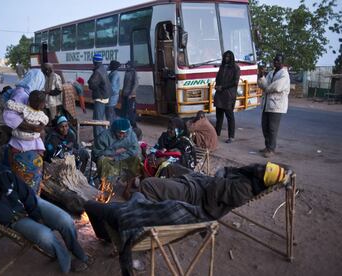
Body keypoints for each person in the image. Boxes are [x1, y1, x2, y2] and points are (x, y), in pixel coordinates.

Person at [0, 165, 90, 273]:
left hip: (30, 204)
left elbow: (26, 194)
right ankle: (67, 259)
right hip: (14, 219)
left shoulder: (2, 173)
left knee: (64, 219)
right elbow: (5, 216)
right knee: (45, 236)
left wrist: (36, 215)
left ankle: (77, 251)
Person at [85, 192, 205, 276]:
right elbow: (155, 206)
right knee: (138, 194)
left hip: (126, 216)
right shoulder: (183, 213)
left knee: (89, 205)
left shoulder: (176, 207)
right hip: (145, 215)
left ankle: (103, 235)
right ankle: (128, 205)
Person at [140, 162, 291, 220]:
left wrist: (220, 176)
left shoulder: (244, 190)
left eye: (263, 171)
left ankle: (151, 220)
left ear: (262, 180)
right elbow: (224, 172)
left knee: (147, 184)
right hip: (202, 183)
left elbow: (216, 184)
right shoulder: (250, 175)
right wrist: (220, 176)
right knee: (170, 167)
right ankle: (162, 194)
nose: (260, 168)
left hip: (196, 197)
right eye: (264, 167)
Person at [3, 69, 46, 192]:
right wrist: (32, 127)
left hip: (26, 145)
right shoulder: (21, 94)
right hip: (23, 146)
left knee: (26, 180)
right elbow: (9, 116)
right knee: (25, 181)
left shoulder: (28, 93)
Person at [92, 118, 141, 198]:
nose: (121, 135)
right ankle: (104, 188)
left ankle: (127, 190)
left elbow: (135, 150)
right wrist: (116, 151)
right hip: (109, 159)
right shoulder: (104, 136)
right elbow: (97, 153)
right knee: (102, 160)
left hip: (123, 158)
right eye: (119, 133)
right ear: (114, 130)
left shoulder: (131, 134)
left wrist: (117, 157)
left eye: (123, 133)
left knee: (136, 158)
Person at [258, 54, 290, 158]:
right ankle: (267, 146)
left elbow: (277, 87)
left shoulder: (284, 74)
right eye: (275, 60)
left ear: (282, 62)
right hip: (267, 104)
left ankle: (271, 149)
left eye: (278, 61)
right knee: (265, 126)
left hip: (276, 105)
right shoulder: (271, 73)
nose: (275, 62)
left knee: (272, 128)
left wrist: (266, 87)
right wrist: (261, 76)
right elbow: (262, 85)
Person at [214, 50, 241, 143]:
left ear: (232, 58)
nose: (226, 59)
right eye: (225, 57)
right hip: (219, 94)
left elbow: (235, 82)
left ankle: (231, 136)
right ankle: (216, 134)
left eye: (228, 57)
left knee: (230, 116)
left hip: (229, 96)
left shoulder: (235, 68)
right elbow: (217, 78)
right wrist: (217, 86)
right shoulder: (222, 67)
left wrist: (223, 87)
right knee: (219, 116)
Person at [88, 53, 111, 137]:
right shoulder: (103, 68)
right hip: (105, 97)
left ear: (94, 61)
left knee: (97, 121)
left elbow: (92, 85)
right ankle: (102, 137)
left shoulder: (97, 72)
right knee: (101, 119)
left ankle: (98, 139)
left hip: (100, 97)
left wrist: (89, 81)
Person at [121, 61, 138, 125]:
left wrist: (131, 94)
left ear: (130, 65)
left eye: (127, 65)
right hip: (125, 94)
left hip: (130, 95)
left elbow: (136, 84)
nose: (126, 66)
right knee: (124, 110)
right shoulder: (127, 72)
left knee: (130, 110)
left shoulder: (133, 72)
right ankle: (126, 123)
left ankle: (133, 124)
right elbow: (125, 84)